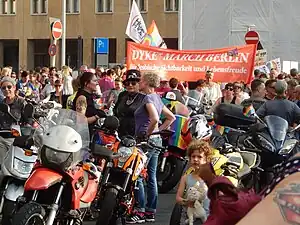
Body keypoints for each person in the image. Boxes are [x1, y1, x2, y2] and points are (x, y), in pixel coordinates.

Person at [126, 72, 175, 224]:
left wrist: (148, 133)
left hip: (146, 142)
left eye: (141, 81)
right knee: (151, 176)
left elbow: (154, 118)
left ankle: (140, 211)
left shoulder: (148, 98)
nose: (139, 82)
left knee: (138, 175)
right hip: (157, 140)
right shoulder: (157, 98)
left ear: (146, 82)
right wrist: (158, 131)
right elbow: (171, 117)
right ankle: (150, 211)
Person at [176, 140, 211, 225]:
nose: (195, 159)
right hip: (189, 218)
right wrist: (187, 201)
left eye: (199, 157)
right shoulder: (185, 178)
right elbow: (178, 198)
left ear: (206, 159)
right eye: (193, 156)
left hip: (206, 218)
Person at [0, 77, 27, 160]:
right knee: (3, 165)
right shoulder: (1, 104)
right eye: (3, 88)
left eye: (9, 87)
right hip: (2, 139)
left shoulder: (21, 102)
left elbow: (28, 120)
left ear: (14, 87)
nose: (6, 89)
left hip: (16, 139)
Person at [113, 69, 145, 137]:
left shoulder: (144, 97)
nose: (130, 85)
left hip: (137, 135)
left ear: (139, 84)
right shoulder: (122, 95)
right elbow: (115, 111)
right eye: (127, 83)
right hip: (121, 134)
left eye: (133, 83)